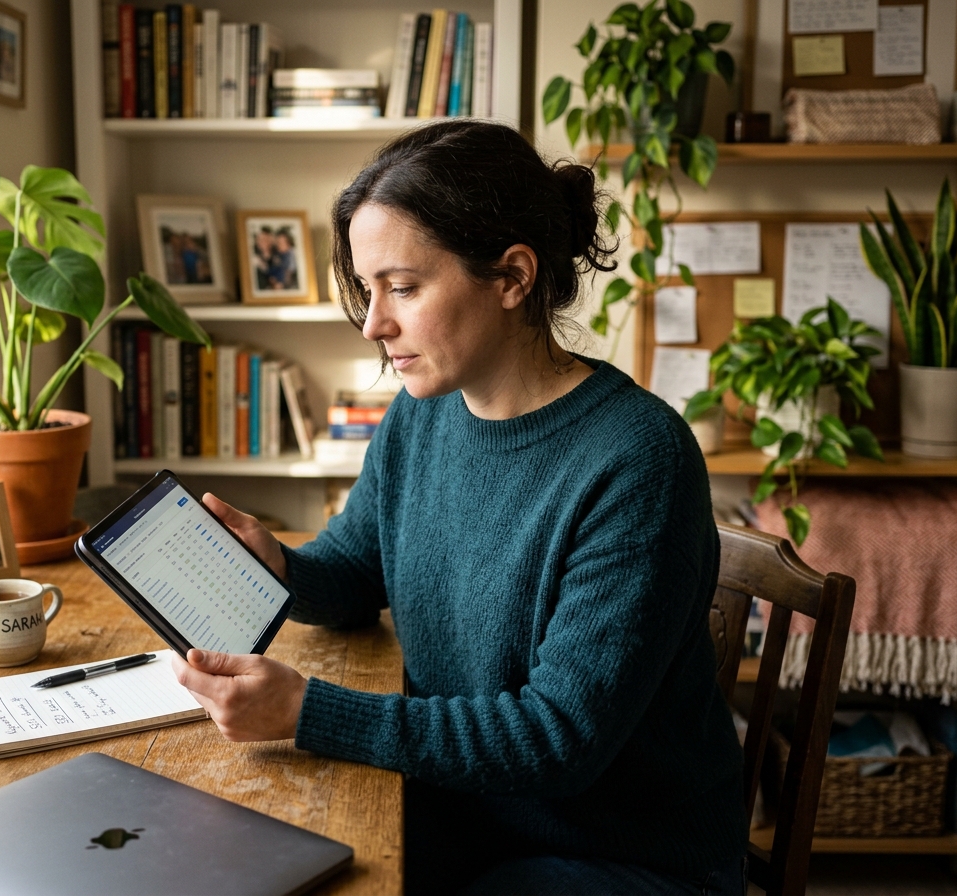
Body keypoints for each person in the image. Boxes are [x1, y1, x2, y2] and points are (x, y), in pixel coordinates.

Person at [172, 120, 747, 895]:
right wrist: (283, 568)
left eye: (402, 288)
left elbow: (558, 739)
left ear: (512, 276)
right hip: (470, 811)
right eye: (368, 290)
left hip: (619, 855)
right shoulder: (424, 411)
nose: (375, 324)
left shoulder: (639, 459)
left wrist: (311, 711)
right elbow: (356, 569)